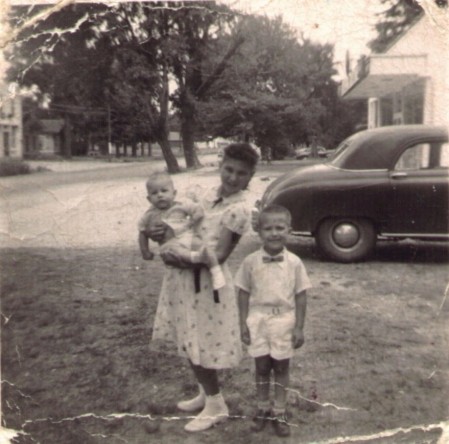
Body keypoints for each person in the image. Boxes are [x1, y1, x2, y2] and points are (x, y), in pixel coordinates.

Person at [146, 143, 259, 432]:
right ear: (221, 165)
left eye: (241, 173)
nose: (233, 177)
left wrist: (180, 258)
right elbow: (178, 220)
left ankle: (216, 405)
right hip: (184, 277)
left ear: (251, 176)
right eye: (229, 170)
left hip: (206, 281)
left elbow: (219, 254)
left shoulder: (239, 209)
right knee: (188, 334)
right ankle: (205, 394)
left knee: (202, 342)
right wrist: (161, 231)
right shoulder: (205, 195)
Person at [235, 204, 311, 437]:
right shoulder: (250, 262)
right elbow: (243, 293)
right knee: (261, 367)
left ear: (289, 229)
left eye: (280, 228)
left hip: (284, 321)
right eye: (268, 228)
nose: (275, 233)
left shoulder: (295, 263)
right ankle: (262, 407)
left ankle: (279, 410)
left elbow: (301, 295)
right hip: (257, 319)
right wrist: (242, 324)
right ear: (259, 231)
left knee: (281, 366)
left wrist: (298, 326)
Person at [138, 172, 225, 290]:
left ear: (174, 193)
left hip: (187, 237)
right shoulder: (149, 215)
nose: (159, 195)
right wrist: (145, 251)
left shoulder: (181, 206)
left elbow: (199, 211)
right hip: (169, 244)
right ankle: (197, 258)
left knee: (204, 247)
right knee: (172, 252)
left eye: (164, 191)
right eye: (154, 193)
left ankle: (216, 272)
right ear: (149, 199)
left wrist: (192, 220)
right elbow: (142, 231)